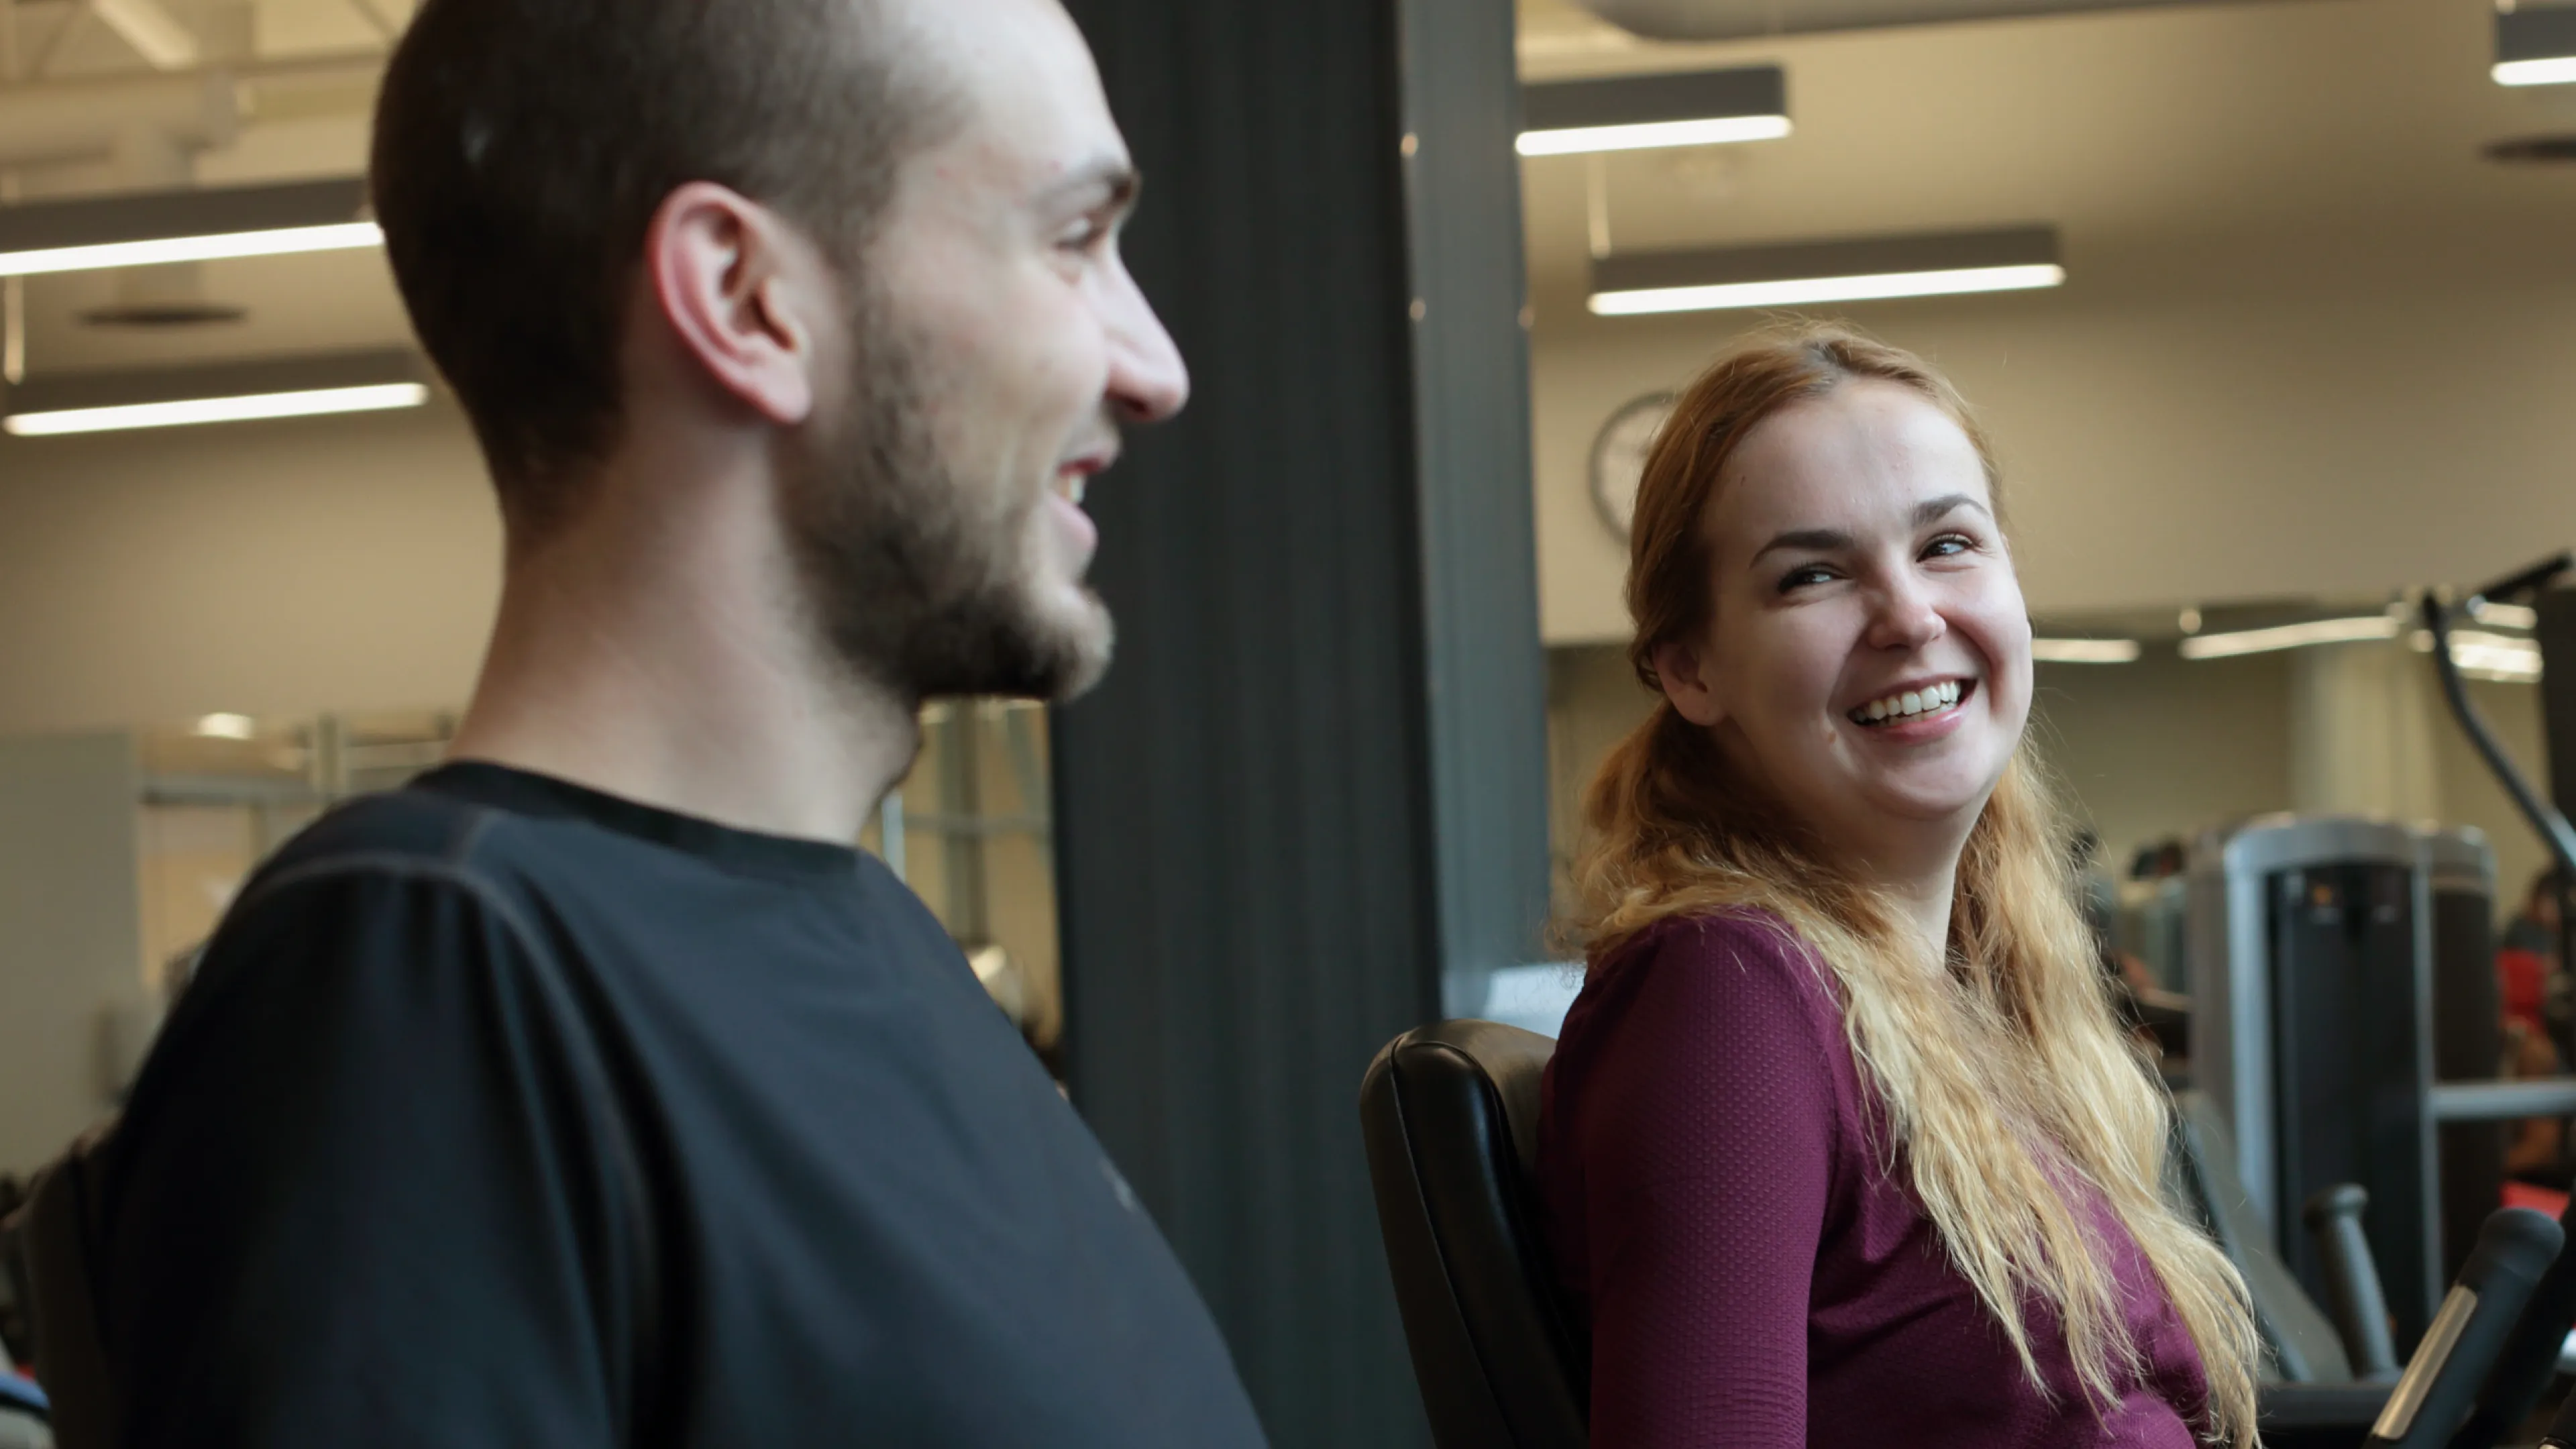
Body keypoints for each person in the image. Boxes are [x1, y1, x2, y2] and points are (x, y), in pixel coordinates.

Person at [87, 0, 1269, 1444]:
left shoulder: (875, 946)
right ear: (746, 299)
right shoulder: (434, 971)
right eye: (1076, 241)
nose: (1154, 365)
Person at [1540, 325, 2261, 1448]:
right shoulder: (1728, 995)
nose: (1911, 615)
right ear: (1691, 667)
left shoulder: (1979, 994)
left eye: (1949, 544)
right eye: (1813, 574)